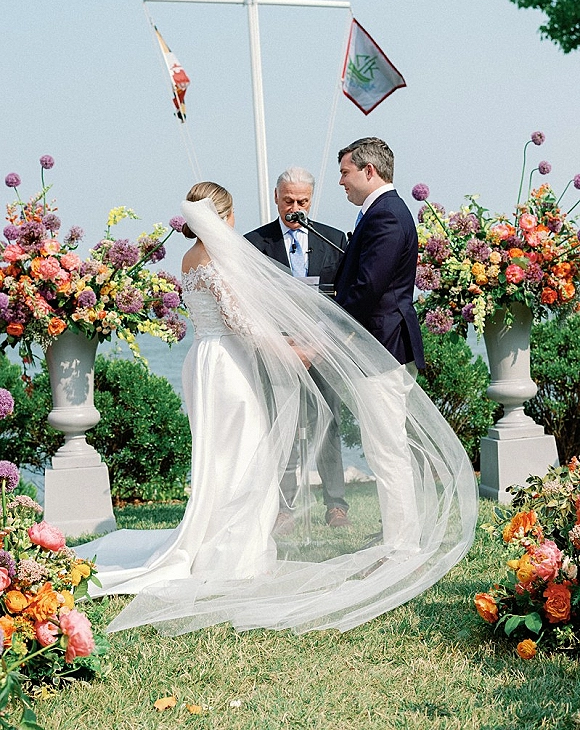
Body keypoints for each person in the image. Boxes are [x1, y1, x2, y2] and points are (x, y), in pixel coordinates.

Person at [80, 180, 478, 636]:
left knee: (219, 457)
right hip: (229, 365)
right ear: (221, 216)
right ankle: (235, 553)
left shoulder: (189, 258)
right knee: (247, 456)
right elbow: (243, 323)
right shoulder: (216, 260)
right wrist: (294, 351)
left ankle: (215, 539)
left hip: (205, 361)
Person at [245, 167, 350, 531]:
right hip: (277, 350)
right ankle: (283, 506)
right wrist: (283, 344)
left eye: (302, 201)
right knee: (281, 426)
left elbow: (343, 301)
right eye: (288, 200)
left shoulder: (334, 239)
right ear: (276, 197)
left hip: (323, 349)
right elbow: (249, 302)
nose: (295, 207)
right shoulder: (254, 243)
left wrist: (316, 343)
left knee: (330, 424)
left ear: (311, 200)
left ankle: (336, 505)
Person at [335, 137, 425, 372]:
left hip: (383, 350)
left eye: (345, 172)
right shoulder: (383, 210)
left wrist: (328, 332)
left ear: (369, 170)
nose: (341, 181)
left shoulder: (386, 216)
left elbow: (368, 287)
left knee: (385, 411)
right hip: (380, 349)